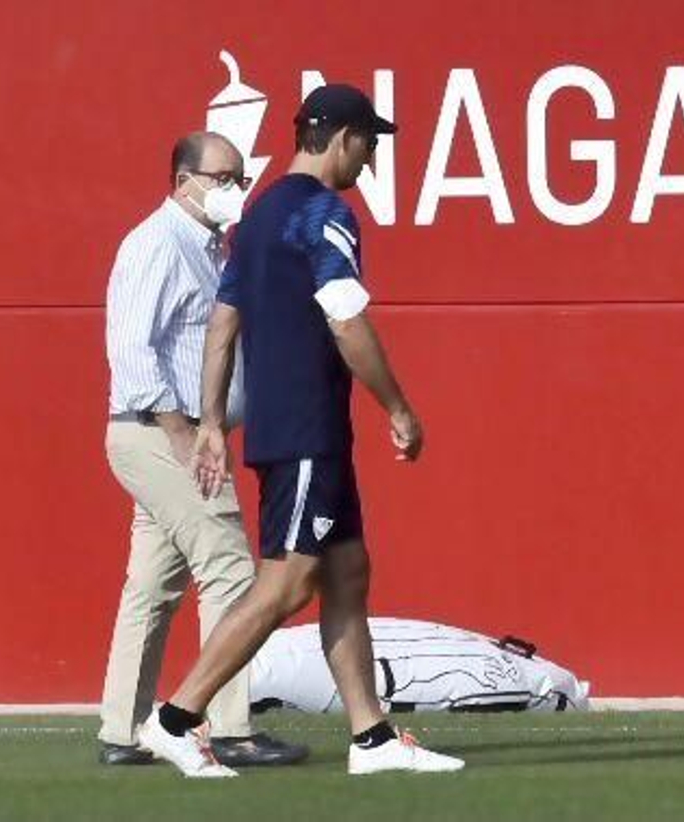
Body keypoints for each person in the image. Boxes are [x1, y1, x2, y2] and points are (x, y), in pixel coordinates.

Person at [137, 85, 464, 778]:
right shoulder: (323, 212)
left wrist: (211, 428)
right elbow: (346, 320)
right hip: (307, 430)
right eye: (369, 143)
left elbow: (223, 328)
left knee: (347, 573)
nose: (370, 159)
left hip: (306, 434)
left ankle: (371, 739)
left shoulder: (256, 219)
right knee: (286, 584)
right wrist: (398, 409)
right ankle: (175, 720)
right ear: (341, 137)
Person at [98, 131, 307, 768]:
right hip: (159, 431)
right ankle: (229, 725)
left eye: (240, 178)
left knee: (153, 584)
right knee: (232, 570)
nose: (234, 190)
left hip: (172, 432)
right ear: (183, 180)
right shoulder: (156, 244)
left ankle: (125, 729)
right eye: (222, 177)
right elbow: (133, 351)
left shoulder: (211, 249)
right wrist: (187, 437)